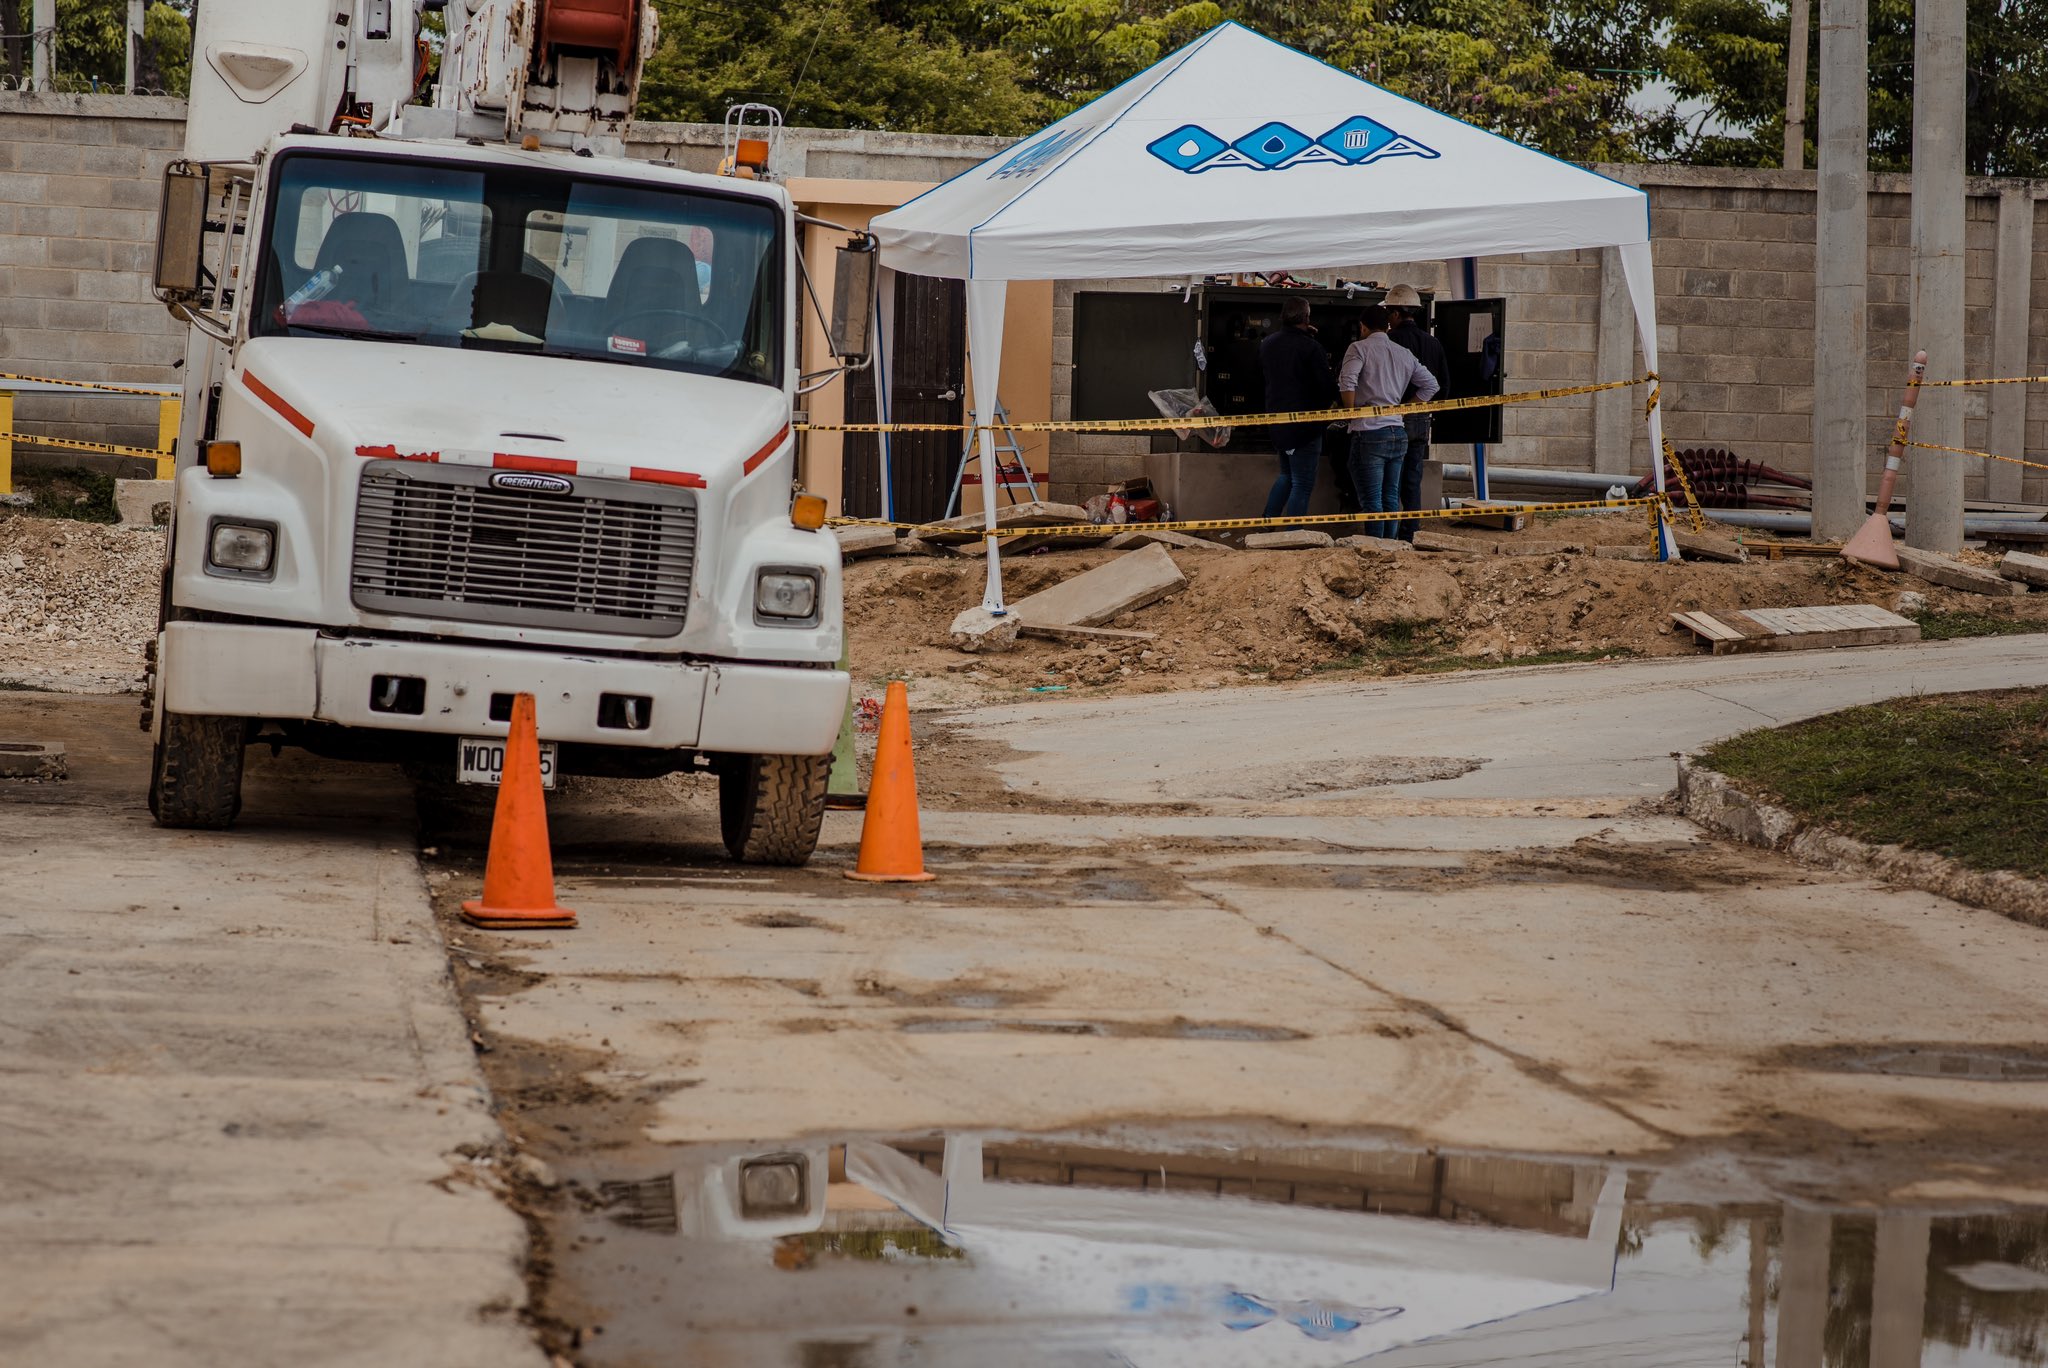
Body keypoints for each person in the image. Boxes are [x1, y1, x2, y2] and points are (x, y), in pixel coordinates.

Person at [1336, 304, 1438, 538]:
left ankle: (1374, 548)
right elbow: (1431, 385)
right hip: (1397, 432)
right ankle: (1389, 547)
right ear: (1388, 325)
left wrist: (1350, 413)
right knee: (1391, 496)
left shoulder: (1358, 348)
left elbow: (1348, 381)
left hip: (1369, 431)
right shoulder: (1403, 353)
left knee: (1372, 500)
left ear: (1363, 327)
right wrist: (1404, 408)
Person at [1258, 296, 1336, 521]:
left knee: (1287, 475)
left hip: (1277, 422)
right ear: (1306, 317)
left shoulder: (1268, 344)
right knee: (1302, 483)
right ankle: (1293, 534)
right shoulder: (1311, 347)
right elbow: (1326, 386)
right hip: (1305, 427)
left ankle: (1267, 522)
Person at [1383, 284, 1450, 540]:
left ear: (1397, 314)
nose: (1388, 319)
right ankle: (1411, 532)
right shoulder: (1433, 343)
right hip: (1421, 420)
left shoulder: (1390, 342)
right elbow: (1443, 385)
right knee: (1412, 479)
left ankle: (1387, 533)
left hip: (1392, 420)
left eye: (1389, 313)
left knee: (1389, 480)